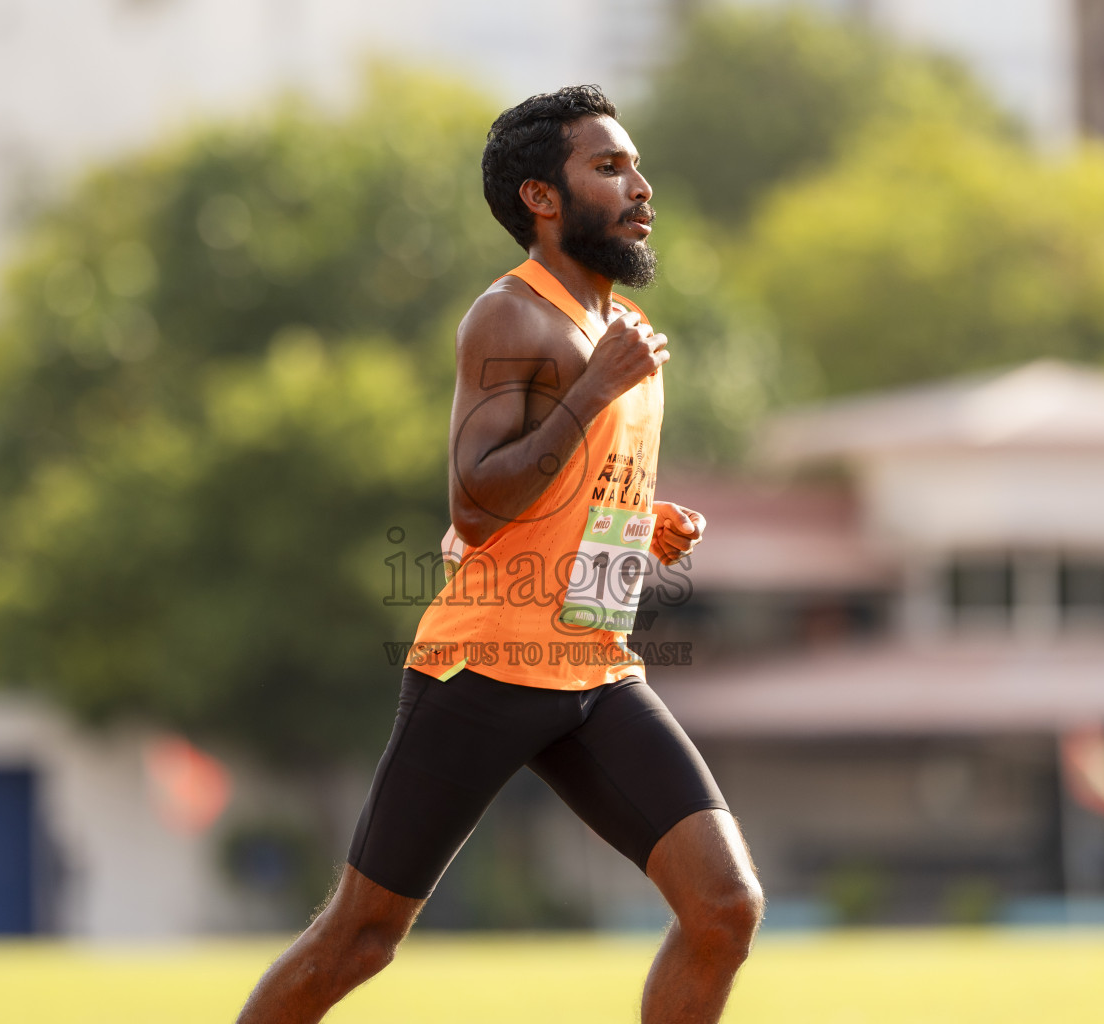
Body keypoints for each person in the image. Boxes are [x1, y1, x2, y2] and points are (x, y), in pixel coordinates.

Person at [236, 85, 762, 1024]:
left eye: (635, 164)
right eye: (609, 167)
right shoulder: (511, 319)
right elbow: (476, 507)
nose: (641, 186)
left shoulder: (618, 340)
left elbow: (556, 500)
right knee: (360, 939)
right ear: (541, 198)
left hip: (595, 668)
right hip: (484, 668)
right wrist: (592, 391)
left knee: (724, 908)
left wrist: (636, 527)